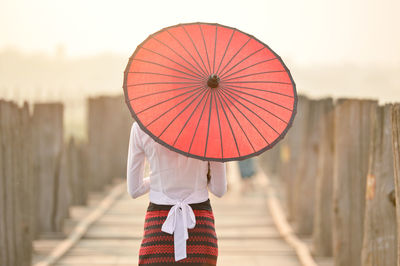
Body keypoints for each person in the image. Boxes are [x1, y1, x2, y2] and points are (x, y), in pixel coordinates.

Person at [127, 121, 227, 266]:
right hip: (200, 227)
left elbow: (135, 189)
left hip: (158, 228)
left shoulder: (141, 126)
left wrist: (157, 179)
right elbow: (219, 189)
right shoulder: (212, 128)